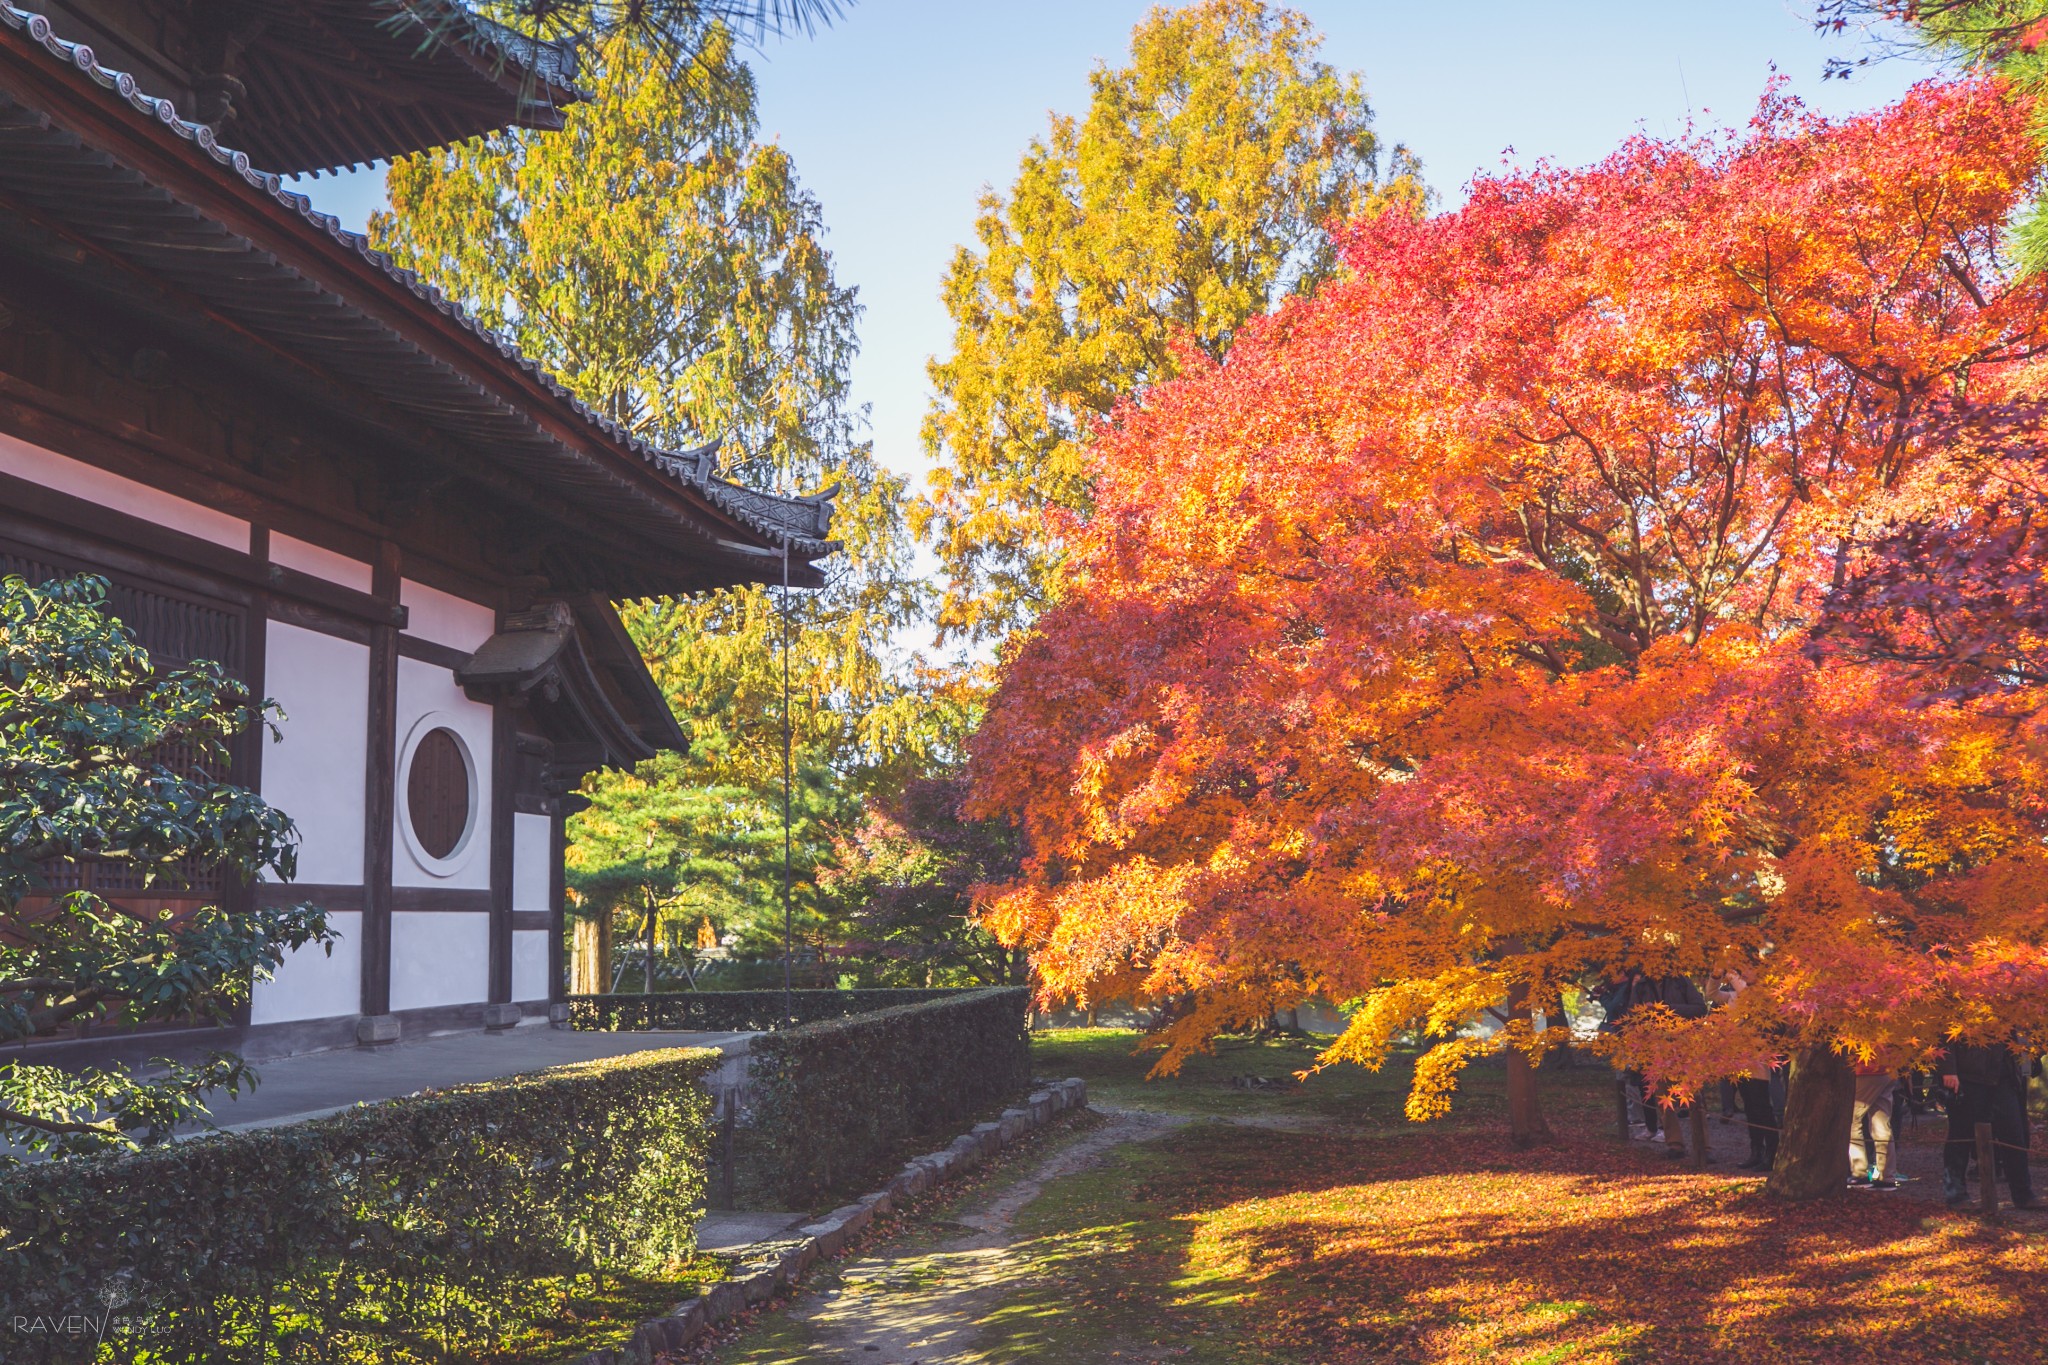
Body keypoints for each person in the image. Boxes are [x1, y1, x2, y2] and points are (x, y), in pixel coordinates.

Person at [1940, 1039, 2035, 1209]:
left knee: (2014, 1136)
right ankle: (1956, 1196)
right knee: (1961, 1136)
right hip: (1968, 1077)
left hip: (2003, 1076)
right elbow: (1943, 1035)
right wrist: (1948, 1070)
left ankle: (2023, 1194)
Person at [1716, 969, 1778, 1171]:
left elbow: (1746, 995)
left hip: (1757, 1059)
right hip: (1738, 1058)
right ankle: (1756, 1151)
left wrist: (1732, 976)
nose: (1745, 975)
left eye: (1748, 970)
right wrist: (1715, 976)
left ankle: (1772, 1152)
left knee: (1762, 1106)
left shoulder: (1761, 995)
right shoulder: (1734, 994)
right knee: (1750, 1107)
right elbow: (1711, 995)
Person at [1849, 1061, 1900, 1190]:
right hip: (1888, 1068)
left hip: (1866, 1068)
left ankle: (1860, 1173)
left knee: (1851, 1120)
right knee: (1881, 1123)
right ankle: (1886, 1176)